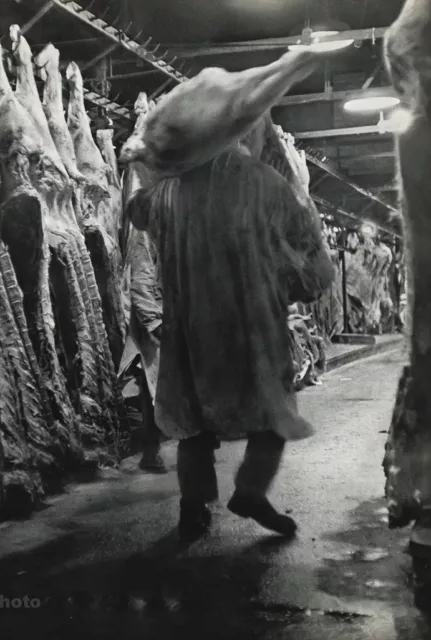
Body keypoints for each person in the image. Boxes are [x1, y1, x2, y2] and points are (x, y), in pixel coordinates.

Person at [124, 120, 334, 543]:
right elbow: (309, 253)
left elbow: (137, 212)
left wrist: (147, 166)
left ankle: (193, 507)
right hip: (252, 326)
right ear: (242, 138)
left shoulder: (173, 188)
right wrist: (297, 289)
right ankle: (251, 491)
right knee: (273, 416)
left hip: (191, 328)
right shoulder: (264, 182)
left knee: (194, 425)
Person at [118, 225, 167, 474]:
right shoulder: (147, 227)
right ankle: (151, 450)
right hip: (157, 317)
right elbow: (141, 276)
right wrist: (154, 321)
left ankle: (204, 446)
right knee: (153, 384)